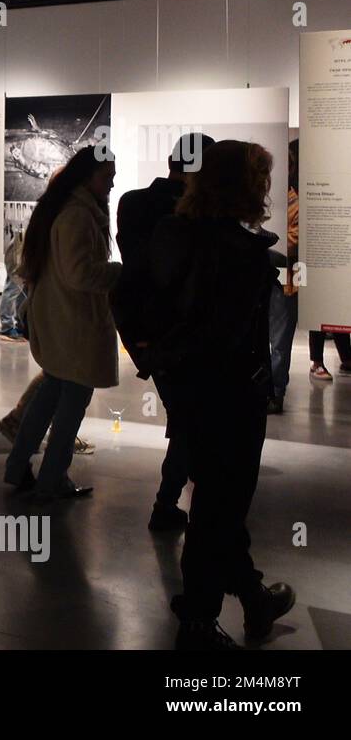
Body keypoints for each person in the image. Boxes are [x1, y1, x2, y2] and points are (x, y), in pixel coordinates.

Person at [141, 140, 295, 649]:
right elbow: (229, 336)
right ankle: (198, 622)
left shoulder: (171, 231)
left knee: (217, 501)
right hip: (230, 396)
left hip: (186, 388)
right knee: (218, 509)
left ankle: (252, 597)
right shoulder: (241, 252)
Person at [3, 146, 120, 500]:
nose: (111, 186)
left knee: (49, 399)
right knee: (70, 410)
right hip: (75, 325)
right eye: (107, 179)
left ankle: (18, 467)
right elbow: (79, 274)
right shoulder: (78, 216)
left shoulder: (62, 209)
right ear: (87, 177)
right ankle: (52, 478)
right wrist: (122, 273)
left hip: (60, 320)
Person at [114, 132, 214, 531]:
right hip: (180, 333)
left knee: (186, 415)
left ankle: (171, 500)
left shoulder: (133, 203)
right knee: (192, 419)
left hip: (144, 332)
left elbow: (134, 268)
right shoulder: (192, 214)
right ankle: (170, 503)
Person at [267, 140, 299, 414]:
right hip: (262, 278)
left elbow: (292, 245)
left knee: (279, 341)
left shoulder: (295, 204)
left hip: (286, 282)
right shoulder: (263, 202)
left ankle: (275, 392)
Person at [0, 229, 27, 342]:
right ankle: (6, 327)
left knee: (22, 291)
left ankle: (19, 326)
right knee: (13, 289)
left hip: (22, 256)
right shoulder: (21, 223)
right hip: (18, 256)